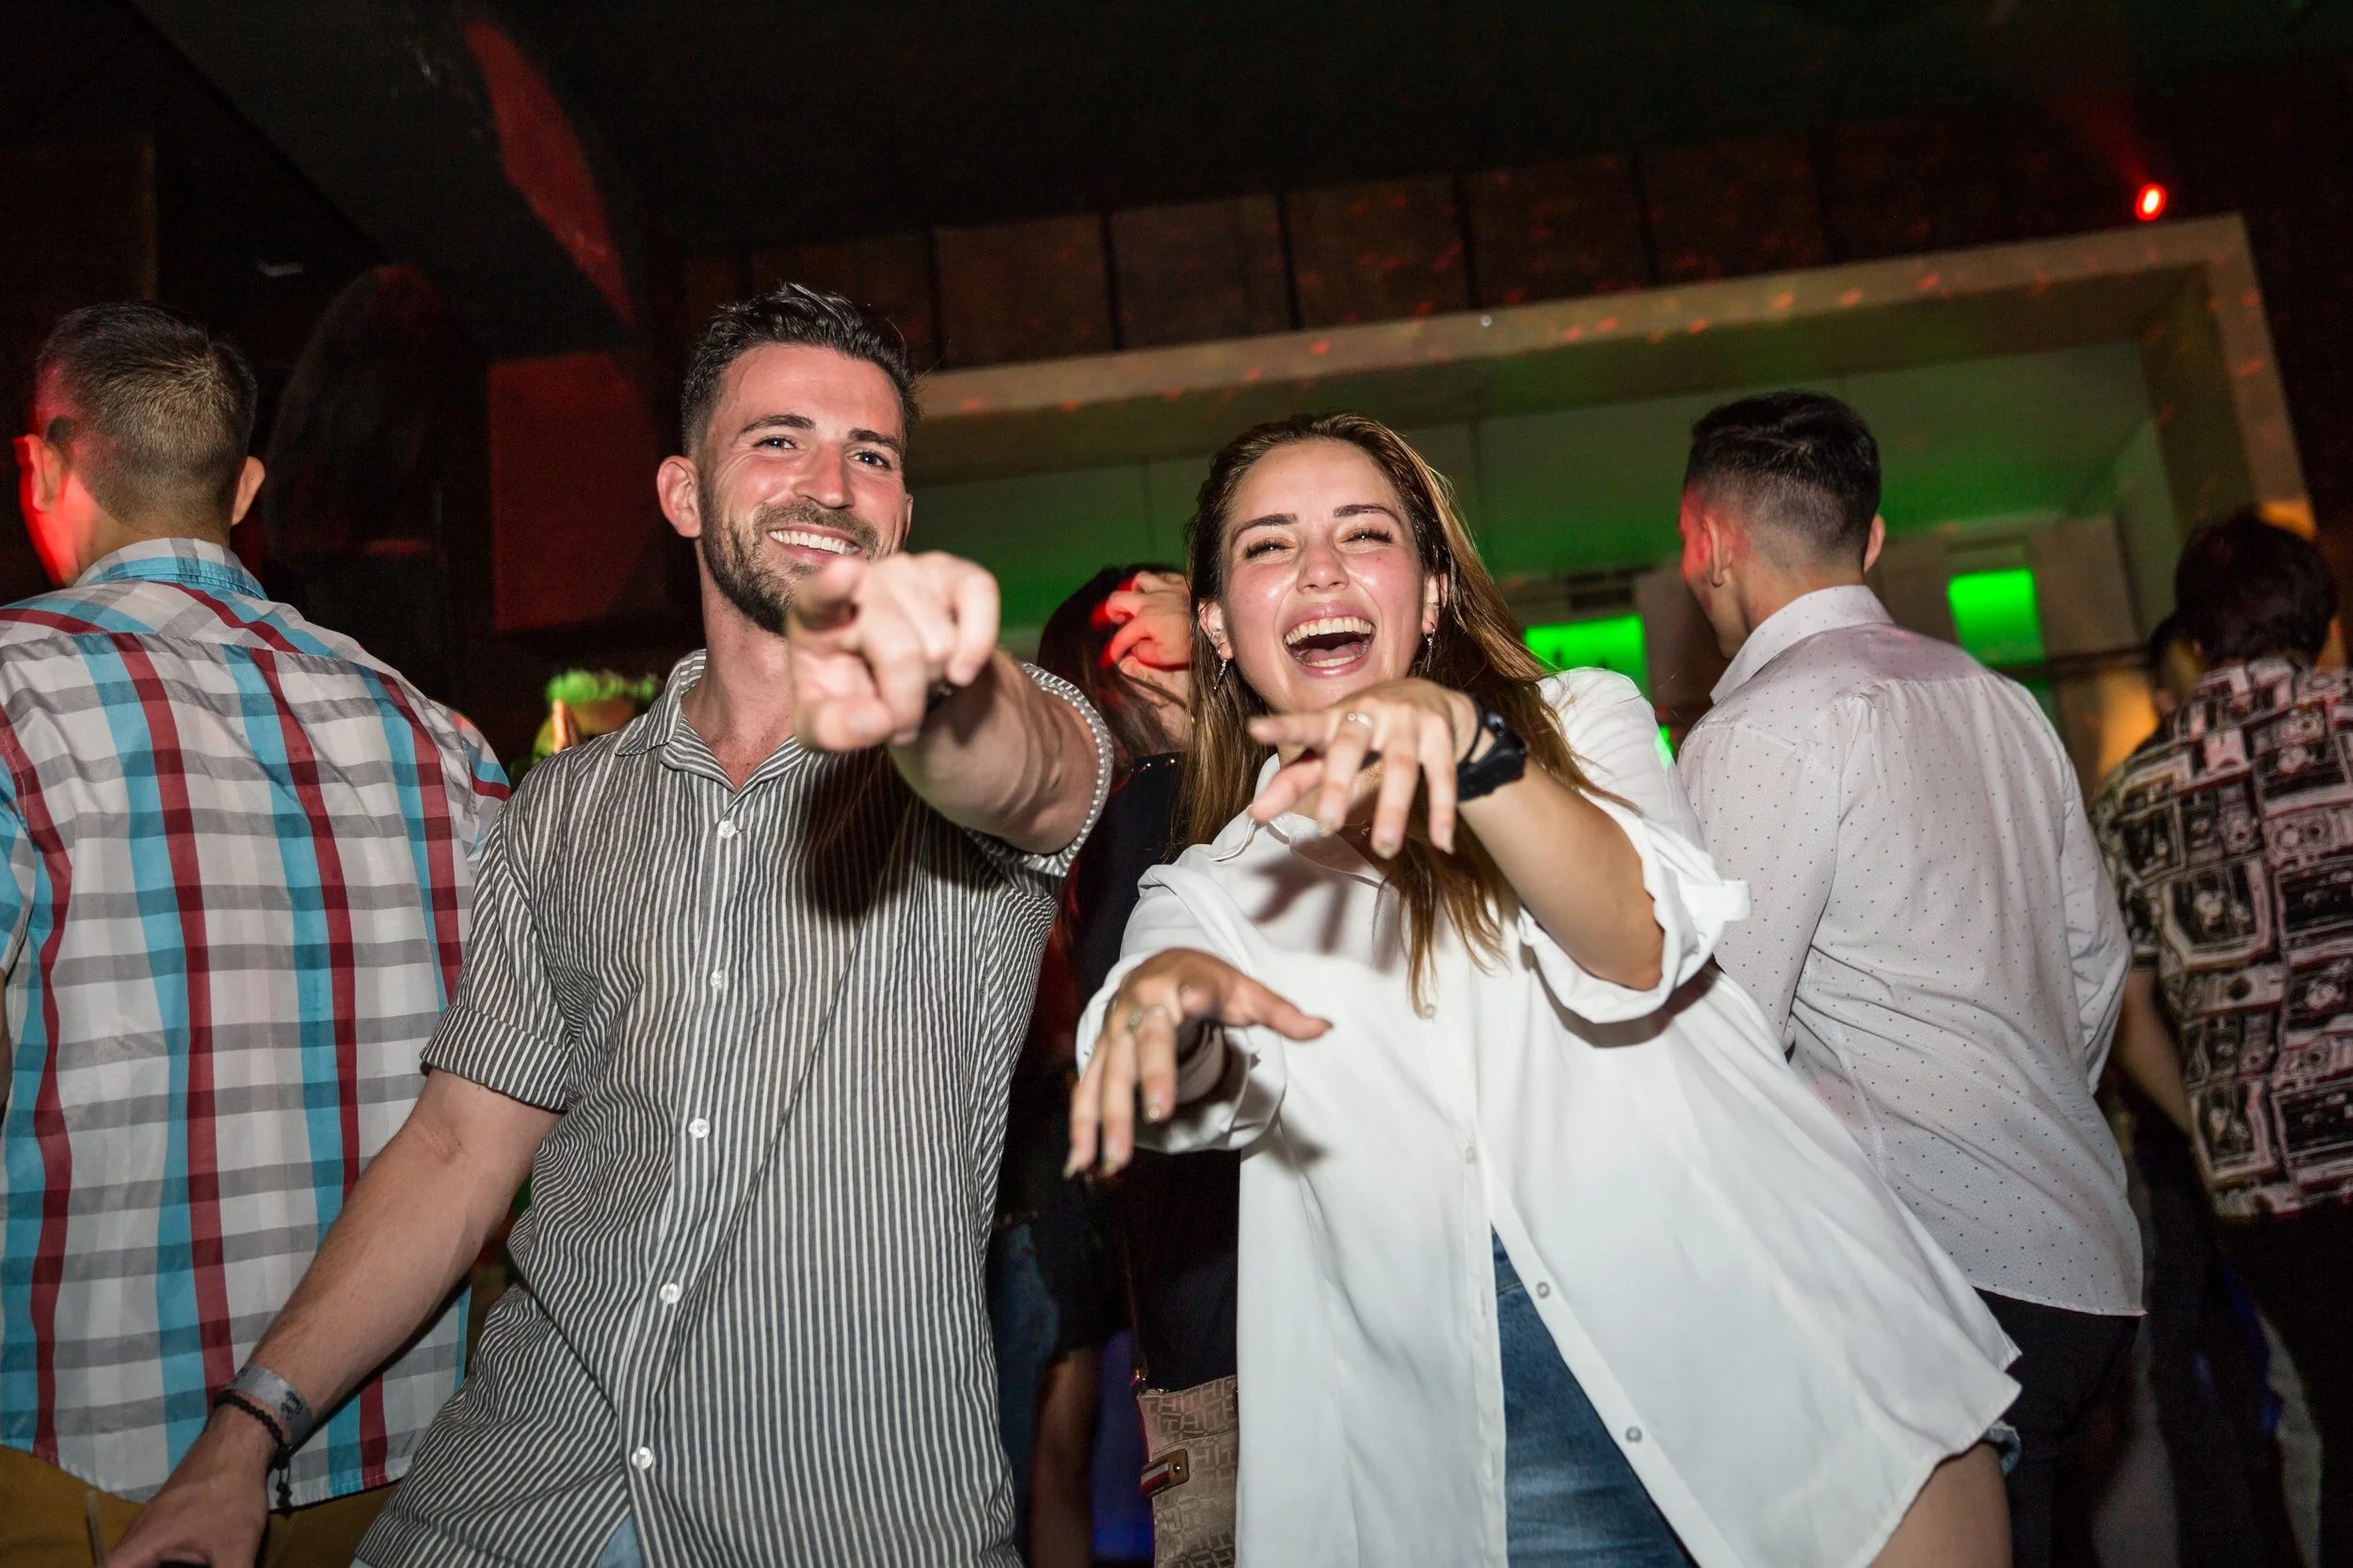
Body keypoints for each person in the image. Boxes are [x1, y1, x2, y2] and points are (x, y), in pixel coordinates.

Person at [107, 284, 1110, 1568]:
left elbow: (1024, 771)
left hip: (844, 1516)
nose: (829, 480)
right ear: (685, 494)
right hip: (516, 1495)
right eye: (778, 439)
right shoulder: (568, 808)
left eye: (872, 454)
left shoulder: (990, 736)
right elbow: (460, 1149)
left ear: (904, 513)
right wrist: (242, 1436)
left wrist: (944, 695)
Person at [1069, 411, 2018, 1568]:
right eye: (1269, 546)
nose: (1319, 567)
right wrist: (1165, 1010)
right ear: (1216, 623)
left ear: (1426, 597)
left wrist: (1474, 756)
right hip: (1494, 1487)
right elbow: (1172, 1062)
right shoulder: (1211, 891)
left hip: (1794, 1379)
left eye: (1363, 533)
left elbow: (1632, 941)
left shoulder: (1578, 725)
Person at [0, 303, 507, 1566]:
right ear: (247, 487)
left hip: (93, 1473)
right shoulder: (442, 740)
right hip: (402, 1460)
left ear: (46, 465)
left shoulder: (10, 699)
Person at [1671, 389, 2139, 1568]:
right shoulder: (2002, 704)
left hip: (1932, 1283)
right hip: (2083, 1255)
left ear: (1706, 544)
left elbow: (1723, 1040)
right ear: (1870, 541)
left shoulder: (1760, 730)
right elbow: (2094, 974)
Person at [2092, 509, 2353, 1567]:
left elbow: (2126, 1007)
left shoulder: (2134, 793)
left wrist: (2209, 1131)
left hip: (2260, 1181)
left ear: (2195, 638)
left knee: (2324, 1410)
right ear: (2322, 619)